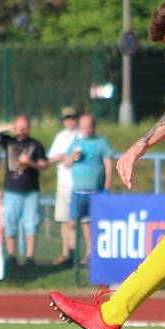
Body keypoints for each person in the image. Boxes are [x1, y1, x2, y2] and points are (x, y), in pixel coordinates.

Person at [0, 115, 48, 267]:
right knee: (10, 223)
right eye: (19, 127)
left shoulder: (36, 144)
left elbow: (43, 165)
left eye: (25, 127)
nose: (22, 130)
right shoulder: (9, 141)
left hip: (31, 191)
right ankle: (11, 255)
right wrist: (9, 127)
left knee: (31, 224)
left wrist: (30, 163)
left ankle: (29, 257)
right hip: (12, 191)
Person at [64, 114, 113, 265]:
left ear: (94, 127)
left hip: (95, 191)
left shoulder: (101, 143)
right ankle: (72, 253)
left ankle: (90, 254)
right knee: (72, 223)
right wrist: (73, 156)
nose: (87, 130)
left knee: (89, 224)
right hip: (77, 191)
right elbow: (66, 163)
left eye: (90, 127)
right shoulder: (76, 143)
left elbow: (108, 165)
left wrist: (106, 187)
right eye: (84, 127)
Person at [47, 106, 80, 264]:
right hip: (63, 183)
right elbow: (50, 158)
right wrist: (61, 157)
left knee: (80, 221)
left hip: (79, 184)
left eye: (72, 118)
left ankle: (82, 254)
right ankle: (66, 252)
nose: (69, 121)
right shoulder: (60, 137)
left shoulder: (81, 135)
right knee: (64, 219)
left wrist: (70, 158)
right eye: (67, 118)